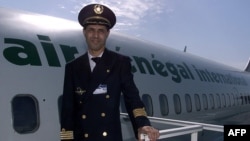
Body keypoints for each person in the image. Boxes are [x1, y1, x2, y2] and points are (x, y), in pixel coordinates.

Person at [60, 3, 160, 141]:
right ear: (84, 32)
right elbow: (68, 110)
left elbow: (133, 98)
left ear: (107, 33)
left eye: (101, 30)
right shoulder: (72, 67)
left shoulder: (119, 63)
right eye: (91, 30)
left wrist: (142, 124)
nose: (95, 35)